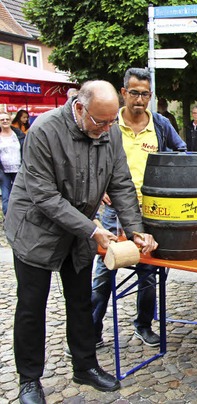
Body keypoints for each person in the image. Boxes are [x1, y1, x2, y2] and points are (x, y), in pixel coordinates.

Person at [6, 80, 158, 404]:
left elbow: (120, 184)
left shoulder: (109, 131)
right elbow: (44, 196)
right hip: (35, 232)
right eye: (100, 122)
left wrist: (134, 230)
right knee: (32, 308)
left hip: (79, 234)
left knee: (80, 302)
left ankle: (85, 365)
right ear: (79, 107)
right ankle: (29, 381)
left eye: (110, 122)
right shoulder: (44, 131)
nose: (105, 129)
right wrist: (91, 230)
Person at [90, 68, 186, 350]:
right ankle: (92, 331)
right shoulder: (109, 122)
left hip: (150, 209)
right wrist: (102, 188)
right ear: (123, 93)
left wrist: (164, 181)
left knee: (148, 273)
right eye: (134, 93)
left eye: (145, 94)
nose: (139, 99)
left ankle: (144, 324)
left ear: (150, 95)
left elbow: (180, 153)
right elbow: (90, 157)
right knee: (103, 270)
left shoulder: (159, 124)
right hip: (113, 210)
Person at [0, 112, 25, 217]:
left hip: (19, 169)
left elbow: (25, 149)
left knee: (20, 194)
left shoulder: (18, 134)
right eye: (2, 120)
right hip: (3, 171)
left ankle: (19, 217)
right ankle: (8, 218)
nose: (5, 121)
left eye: (7, 119)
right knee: (6, 196)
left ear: (10, 120)